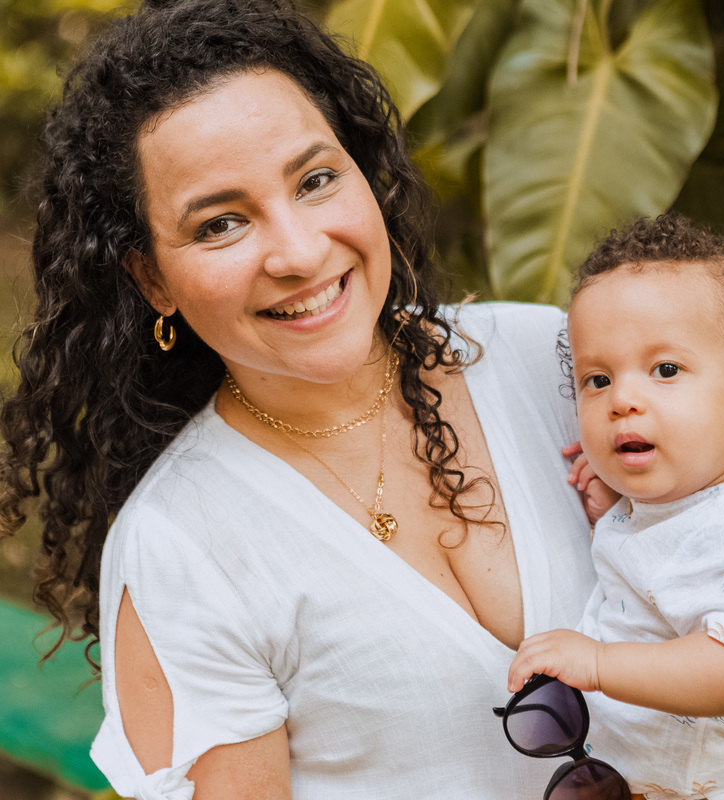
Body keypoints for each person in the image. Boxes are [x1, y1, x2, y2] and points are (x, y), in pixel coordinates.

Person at [0, 1, 600, 797]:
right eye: (220, 225)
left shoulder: (556, 361)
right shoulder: (183, 546)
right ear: (153, 280)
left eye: (316, 180)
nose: (299, 251)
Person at [508, 215, 724, 800]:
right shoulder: (679, 509)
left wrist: (597, 663)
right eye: (596, 379)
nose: (623, 399)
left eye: (665, 370)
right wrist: (615, 513)